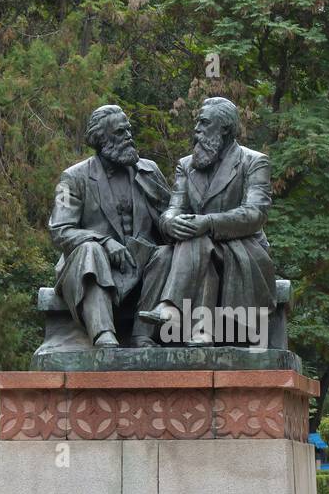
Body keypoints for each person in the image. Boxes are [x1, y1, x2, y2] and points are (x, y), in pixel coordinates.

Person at [135, 96, 276, 346]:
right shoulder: (186, 165)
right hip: (195, 245)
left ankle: (171, 307)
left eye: (203, 123)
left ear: (224, 128)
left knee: (199, 240)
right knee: (176, 251)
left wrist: (207, 222)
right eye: (197, 123)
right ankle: (168, 335)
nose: (196, 129)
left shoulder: (254, 161)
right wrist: (170, 223)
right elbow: (173, 209)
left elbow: (255, 214)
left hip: (242, 247)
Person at [48, 105, 171, 347]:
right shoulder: (72, 178)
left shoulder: (149, 171)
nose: (128, 137)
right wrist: (103, 241)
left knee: (167, 254)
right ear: (101, 139)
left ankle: (142, 335)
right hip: (93, 266)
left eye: (129, 130)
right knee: (90, 250)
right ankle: (103, 335)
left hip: (142, 267)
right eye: (120, 132)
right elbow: (60, 230)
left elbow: (169, 219)